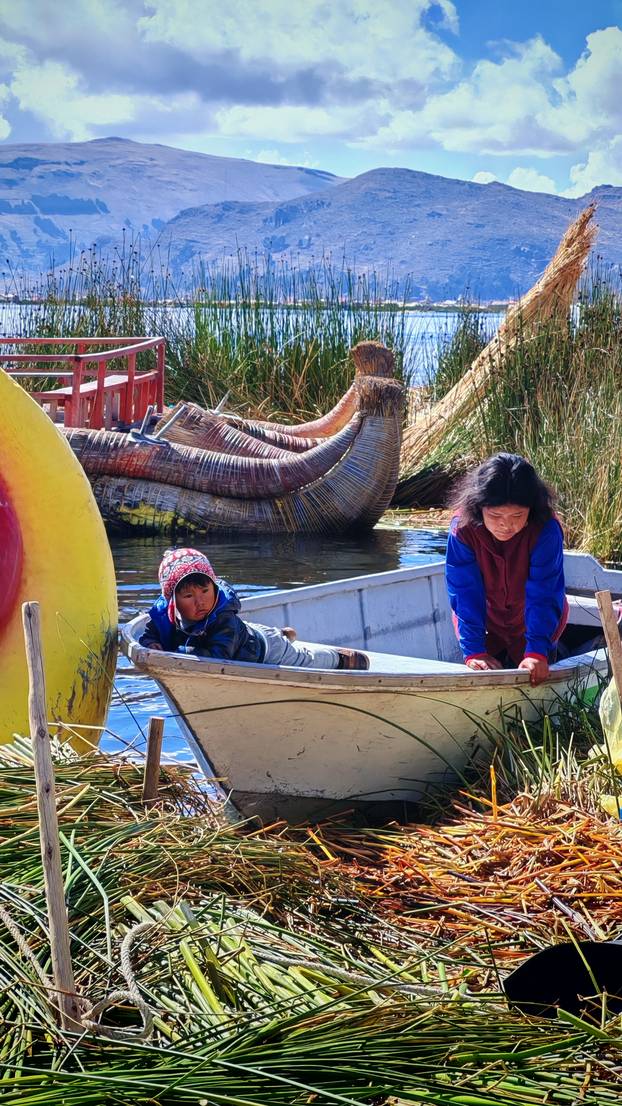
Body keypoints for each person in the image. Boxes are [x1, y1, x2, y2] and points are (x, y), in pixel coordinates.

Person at [445, 453, 568, 686]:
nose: (506, 524)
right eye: (495, 515)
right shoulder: (462, 529)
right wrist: (474, 651)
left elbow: (544, 592)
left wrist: (537, 652)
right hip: (488, 625)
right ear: (478, 507)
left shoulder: (546, 529)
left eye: (517, 515)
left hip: (536, 623)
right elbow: (464, 592)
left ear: (531, 510)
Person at [139, 547, 370, 670]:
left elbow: (217, 657)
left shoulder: (223, 620)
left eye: (205, 592)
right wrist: (152, 644)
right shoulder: (164, 615)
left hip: (265, 651)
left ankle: (339, 659)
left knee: (304, 659)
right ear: (173, 601)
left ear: (214, 587)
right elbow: (150, 633)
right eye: (189, 596)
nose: (200, 602)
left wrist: (174, 653)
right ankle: (284, 633)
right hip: (247, 634)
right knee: (265, 634)